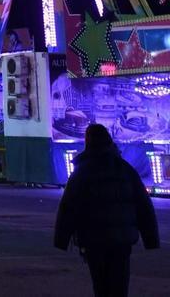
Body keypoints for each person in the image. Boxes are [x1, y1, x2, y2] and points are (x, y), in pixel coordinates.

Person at [55, 124, 159, 297]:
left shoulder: (82, 172)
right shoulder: (125, 170)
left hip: (93, 239)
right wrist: (151, 239)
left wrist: (62, 239)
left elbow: (68, 207)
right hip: (122, 240)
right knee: (120, 284)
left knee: (101, 284)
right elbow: (144, 206)